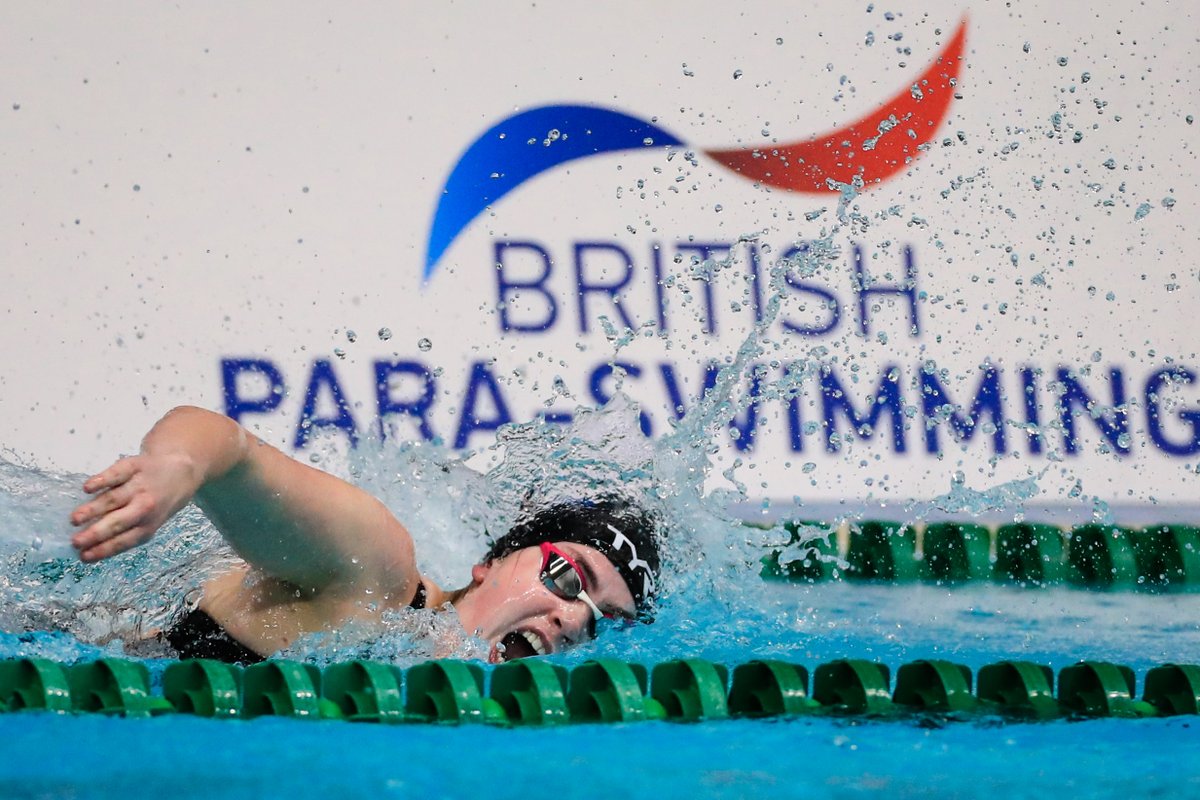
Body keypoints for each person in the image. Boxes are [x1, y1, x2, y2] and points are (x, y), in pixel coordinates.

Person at [68, 406, 660, 664]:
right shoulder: (376, 575)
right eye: (567, 578)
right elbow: (226, 445)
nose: (573, 619)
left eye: (602, 621)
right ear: (492, 562)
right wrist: (176, 468)